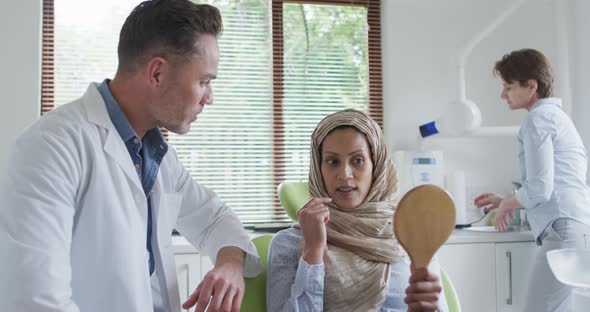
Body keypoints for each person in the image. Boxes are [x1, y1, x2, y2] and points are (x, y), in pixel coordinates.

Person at [0, 1, 261, 311]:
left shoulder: (156, 154)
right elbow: (35, 302)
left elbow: (214, 218)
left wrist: (230, 263)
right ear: (158, 73)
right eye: (204, 81)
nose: (210, 98)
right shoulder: (52, 147)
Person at [267, 109, 448, 312]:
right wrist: (313, 250)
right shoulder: (288, 244)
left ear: (376, 166)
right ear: (319, 169)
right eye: (332, 161)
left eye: (358, 160)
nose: (344, 174)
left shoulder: (412, 237)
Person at [474, 48, 590, 312]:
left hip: (563, 231)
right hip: (576, 228)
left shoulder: (537, 119)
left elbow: (540, 189)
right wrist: (506, 200)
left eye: (508, 87)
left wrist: (507, 205)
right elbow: (554, 184)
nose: (503, 95)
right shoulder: (557, 117)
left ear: (531, 86)